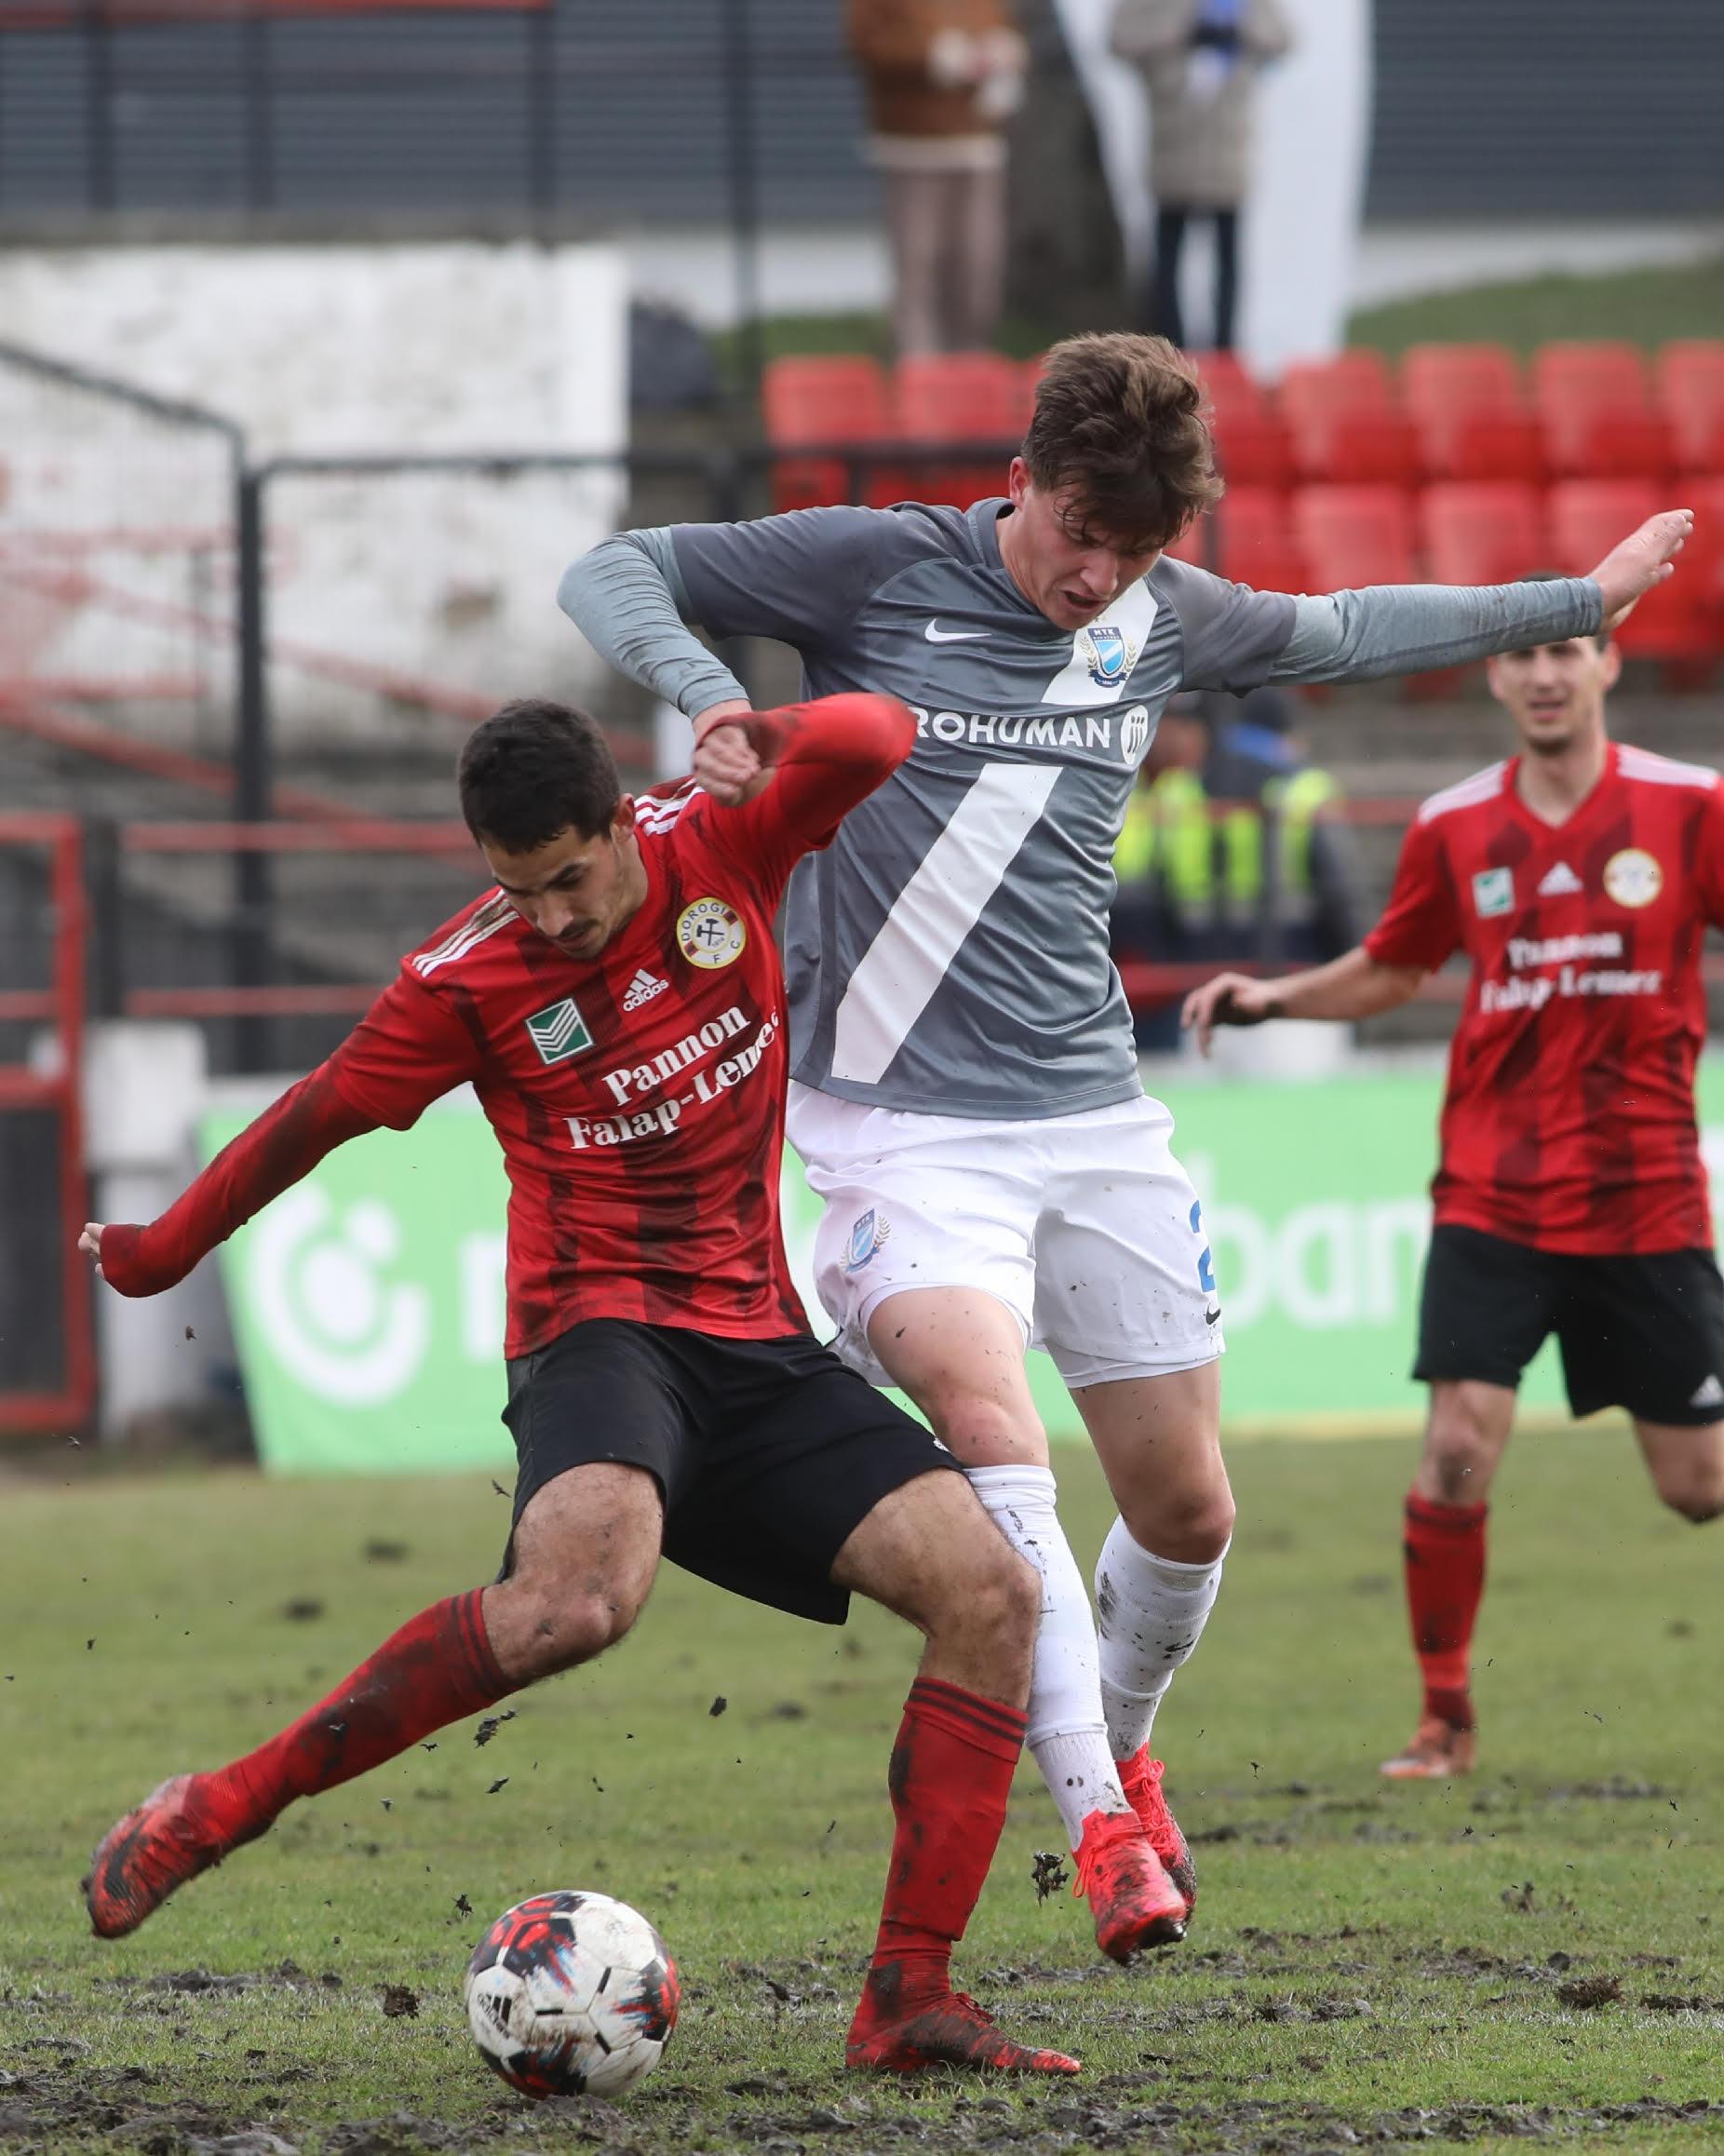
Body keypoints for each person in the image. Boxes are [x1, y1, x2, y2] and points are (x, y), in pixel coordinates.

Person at [556, 330, 1692, 1959]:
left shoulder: (1164, 613)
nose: (1098, 577)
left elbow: (1352, 629)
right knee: (992, 1430)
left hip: (1094, 1119)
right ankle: (1097, 1828)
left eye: (1136, 550)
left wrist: (1574, 599)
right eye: (1082, 534)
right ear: (1022, 479)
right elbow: (615, 568)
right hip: (896, 1133)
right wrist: (713, 694)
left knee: (1188, 1509)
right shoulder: (878, 566)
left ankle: (1127, 1746)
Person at [76, 692, 1082, 2080]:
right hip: (599, 1333)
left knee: (994, 1596)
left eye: (565, 880)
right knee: (575, 1604)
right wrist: (159, 1250)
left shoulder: (723, 840)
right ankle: (222, 1806)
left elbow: (879, 739)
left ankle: (909, 1996)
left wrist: (760, 727)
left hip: (760, 1346)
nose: (548, 918)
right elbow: (311, 1119)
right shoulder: (465, 983)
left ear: (620, 824)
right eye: (516, 891)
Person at [1183, 599, 1724, 1778]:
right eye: (1522, 653)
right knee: (1455, 1447)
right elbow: (1394, 968)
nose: (1544, 674)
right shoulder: (1453, 824)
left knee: (1697, 1487)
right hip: (1494, 1194)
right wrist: (1273, 997)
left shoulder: (1690, 807)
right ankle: (1443, 1718)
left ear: (1606, 665)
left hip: (1646, 1197)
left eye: (1565, 650)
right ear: (1494, 677)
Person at [1112, 686, 1358, 1047]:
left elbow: (1142, 898)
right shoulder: (1306, 789)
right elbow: (1344, 901)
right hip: (1296, 992)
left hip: (1200, 999)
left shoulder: (1173, 792)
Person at [1108, 0, 1294, 351]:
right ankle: (1168, 348)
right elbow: (1119, 39)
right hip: (1173, 140)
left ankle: (1225, 351)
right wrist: (1181, 30)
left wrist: (1238, 31)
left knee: (1228, 253)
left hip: (1227, 140)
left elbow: (1282, 37)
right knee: (1167, 254)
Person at [846, 0, 1028, 357]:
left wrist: (1003, 52)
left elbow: (1003, 29)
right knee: (919, 259)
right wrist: (934, 56)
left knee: (978, 259)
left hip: (978, 140)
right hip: (913, 142)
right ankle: (919, 363)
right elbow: (867, 43)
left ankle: (970, 357)